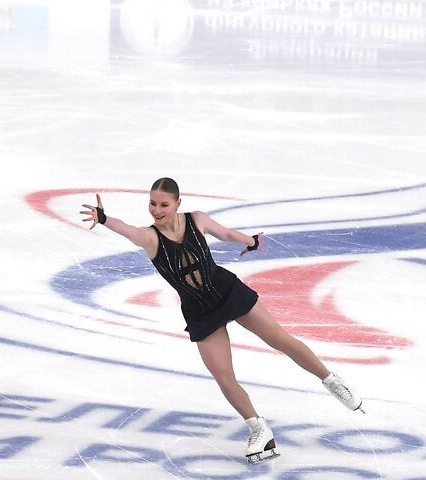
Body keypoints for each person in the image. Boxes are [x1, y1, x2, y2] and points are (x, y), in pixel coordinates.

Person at [80, 178, 362, 462]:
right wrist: (103, 218)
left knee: (279, 339)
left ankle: (331, 380)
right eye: (152, 203)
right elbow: (127, 230)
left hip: (227, 291)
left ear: (178, 203)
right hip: (200, 311)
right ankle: (259, 429)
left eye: (164, 204)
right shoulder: (150, 238)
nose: (157, 210)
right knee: (224, 376)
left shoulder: (197, 220)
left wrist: (250, 241)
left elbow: (224, 233)